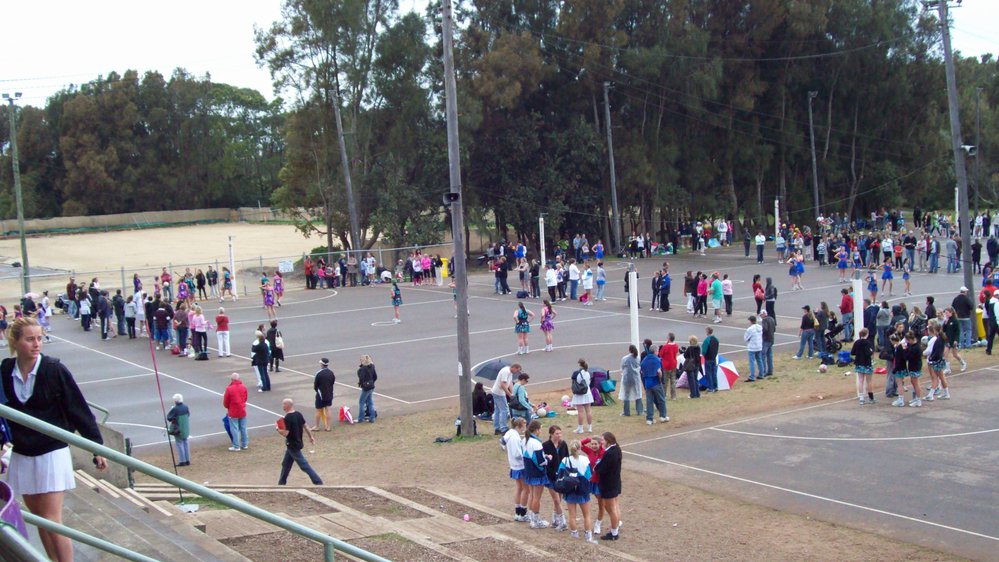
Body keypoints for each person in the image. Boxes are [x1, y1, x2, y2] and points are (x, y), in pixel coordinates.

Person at [1, 317, 108, 562]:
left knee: (51, 518)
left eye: (39, 338)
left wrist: (96, 447)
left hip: (51, 451)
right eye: (29, 339)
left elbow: (78, 408)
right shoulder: (6, 370)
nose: (36, 344)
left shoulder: (53, 369)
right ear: (15, 342)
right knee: (39, 516)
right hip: (23, 452)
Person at [558, 440, 598, 543]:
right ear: (580, 449)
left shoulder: (565, 460)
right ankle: (588, 536)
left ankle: (574, 534)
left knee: (572, 515)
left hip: (569, 490)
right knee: (587, 515)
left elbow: (560, 473)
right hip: (582, 490)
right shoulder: (585, 460)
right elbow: (589, 475)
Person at [277, 398, 323, 485]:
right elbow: (305, 426)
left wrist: (278, 429)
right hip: (297, 442)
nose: (282, 406)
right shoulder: (298, 414)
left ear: (287, 405)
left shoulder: (288, 417)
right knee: (286, 464)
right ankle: (281, 483)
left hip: (292, 444)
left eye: (283, 404)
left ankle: (318, 481)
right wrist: (311, 436)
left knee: (303, 465)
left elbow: (285, 433)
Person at [593, 431, 622, 541]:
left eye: (603, 440)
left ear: (608, 441)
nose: (601, 442)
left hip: (609, 484)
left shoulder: (609, 453)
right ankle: (616, 528)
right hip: (615, 482)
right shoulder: (616, 449)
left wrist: (596, 468)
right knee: (615, 506)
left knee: (610, 508)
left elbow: (602, 469)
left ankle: (614, 533)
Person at [522, 420, 550, 528]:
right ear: (537, 430)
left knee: (532, 495)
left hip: (529, 471)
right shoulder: (536, 443)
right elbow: (540, 461)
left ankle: (532, 519)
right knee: (536, 497)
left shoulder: (524, 440)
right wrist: (548, 459)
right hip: (538, 472)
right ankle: (536, 521)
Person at [541, 425, 569, 531]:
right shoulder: (545, 445)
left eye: (560, 433)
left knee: (559, 500)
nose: (559, 435)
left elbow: (566, 458)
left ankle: (555, 520)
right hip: (550, 476)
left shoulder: (563, 444)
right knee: (556, 499)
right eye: (557, 433)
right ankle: (563, 521)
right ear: (551, 434)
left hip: (561, 476)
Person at [640, 344, 668, 424]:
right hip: (656, 382)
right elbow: (659, 371)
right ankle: (663, 416)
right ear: (655, 351)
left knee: (649, 401)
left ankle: (649, 418)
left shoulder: (644, 360)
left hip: (647, 383)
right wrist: (661, 377)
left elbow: (641, 371)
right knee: (661, 399)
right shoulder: (657, 360)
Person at [491, 363, 521, 435]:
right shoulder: (506, 371)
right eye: (517, 370)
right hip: (499, 393)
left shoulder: (510, 372)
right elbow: (503, 384)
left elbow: (510, 382)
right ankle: (503, 428)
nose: (517, 372)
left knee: (498, 410)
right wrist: (509, 394)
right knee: (504, 410)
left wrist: (512, 392)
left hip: (498, 392)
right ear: (514, 367)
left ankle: (497, 428)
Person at [307, 358, 336, 431]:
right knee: (328, 409)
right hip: (329, 393)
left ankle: (317, 426)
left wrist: (318, 390)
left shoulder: (319, 373)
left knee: (318, 411)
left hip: (320, 394)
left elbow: (315, 385)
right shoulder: (331, 373)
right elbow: (332, 382)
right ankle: (328, 426)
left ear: (322, 364)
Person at [223, 373, 249, 451]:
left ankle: (236, 446)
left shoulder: (229, 388)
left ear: (232, 379)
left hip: (233, 410)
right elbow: (245, 398)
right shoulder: (243, 387)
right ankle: (245, 444)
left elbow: (226, 401)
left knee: (234, 428)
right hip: (242, 409)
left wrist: (228, 407)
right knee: (243, 428)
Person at [850, 329, 876, 404]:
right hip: (867, 363)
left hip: (859, 363)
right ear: (866, 334)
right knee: (869, 381)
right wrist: (871, 352)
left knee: (860, 380)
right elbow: (869, 353)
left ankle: (861, 397)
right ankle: (871, 397)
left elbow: (852, 352)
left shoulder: (856, 342)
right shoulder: (868, 343)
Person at [167, 394, 191, 466]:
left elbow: (169, 418)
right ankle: (187, 460)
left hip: (178, 429)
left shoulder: (175, 409)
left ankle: (182, 461)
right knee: (186, 443)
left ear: (175, 401)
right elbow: (188, 415)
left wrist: (171, 409)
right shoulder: (186, 407)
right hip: (185, 428)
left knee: (179, 444)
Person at [618, 345, 643, 416]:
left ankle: (626, 412)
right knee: (638, 393)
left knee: (626, 394)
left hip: (627, 379)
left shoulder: (625, 358)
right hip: (636, 378)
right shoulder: (637, 358)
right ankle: (639, 411)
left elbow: (622, 367)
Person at [571, 359, 594, 433]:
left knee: (580, 412)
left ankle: (580, 429)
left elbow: (574, 382)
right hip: (587, 392)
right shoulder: (588, 373)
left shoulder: (576, 373)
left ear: (580, 365)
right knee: (588, 411)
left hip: (579, 394)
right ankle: (590, 427)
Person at [357, 354, 378, 423]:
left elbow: (361, 378)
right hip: (371, 386)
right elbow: (375, 376)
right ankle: (372, 418)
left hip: (366, 387)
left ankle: (361, 418)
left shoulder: (363, 369)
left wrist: (362, 384)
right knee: (370, 402)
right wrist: (372, 382)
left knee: (361, 402)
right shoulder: (372, 366)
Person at [658, 333, 679, 400]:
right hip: (673, 364)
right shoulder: (676, 346)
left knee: (665, 381)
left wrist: (666, 344)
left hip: (666, 365)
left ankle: (663, 395)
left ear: (669, 339)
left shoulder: (666, 347)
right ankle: (673, 396)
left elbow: (661, 354)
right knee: (673, 380)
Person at [744, 316, 765, 381]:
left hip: (752, 347)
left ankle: (752, 376)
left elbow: (746, 338)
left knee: (752, 362)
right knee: (759, 360)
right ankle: (761, 374)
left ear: (750, 321)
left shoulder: (750, 329)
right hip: (759, 346)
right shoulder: (760, 327)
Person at [702, 327, 720, 392]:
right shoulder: (716, 339)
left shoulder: (707, 340)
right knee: (714, 373)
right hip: (714, 358)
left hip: (708, 358)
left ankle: (710, 387)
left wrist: (704, 355)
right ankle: (716, 386)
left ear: (707, 332)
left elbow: (703, 351)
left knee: (708, 373)